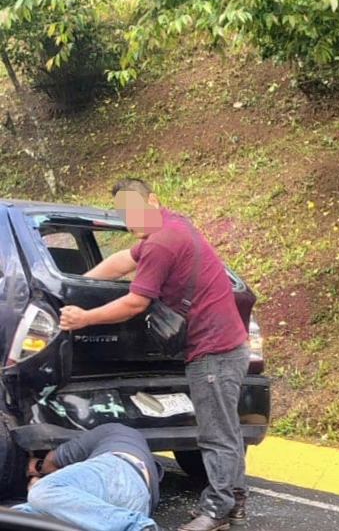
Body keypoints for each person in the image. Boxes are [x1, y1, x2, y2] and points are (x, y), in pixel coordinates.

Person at [59, 178, 251, 531]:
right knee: (226, 430)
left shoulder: (161, 243)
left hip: (215, 351)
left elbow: (135, 303)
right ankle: (234, 504)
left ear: (152, 201)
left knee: (216, 435)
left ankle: (218, 510)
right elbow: (121, 261)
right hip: (225, 346)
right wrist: (73, 288)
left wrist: (84, 317)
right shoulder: (173, 226)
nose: (129, 220)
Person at [12, 423, 164, 531]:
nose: (33, 474)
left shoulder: (109, 431)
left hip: (119, 468)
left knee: (43, 491)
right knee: (19, 516)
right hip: (136, 504)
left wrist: (41, 477)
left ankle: (140, 527)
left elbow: (52, 460)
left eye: (38, 467)